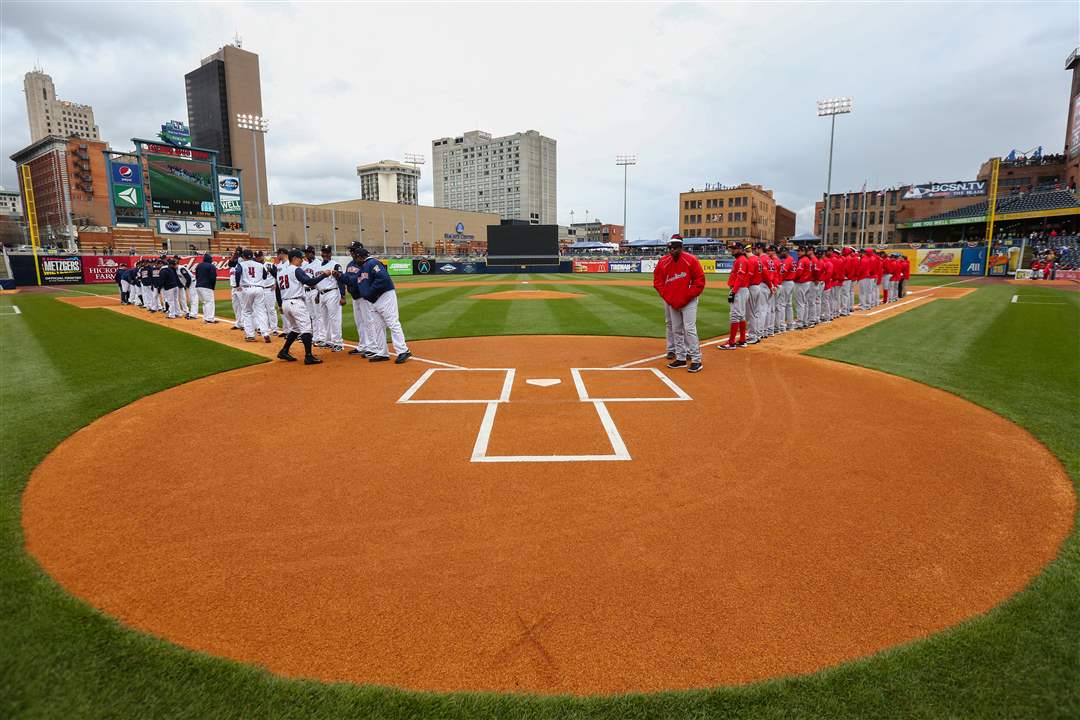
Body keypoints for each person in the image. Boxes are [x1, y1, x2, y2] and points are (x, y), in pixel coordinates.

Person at [339, 244, 412, 363]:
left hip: (385, 296)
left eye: (356, 257)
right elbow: (353, 280)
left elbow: (383, 279)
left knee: (392, 323)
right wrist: (340, 276)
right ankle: (382, 352)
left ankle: (403, 350)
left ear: (360, 257)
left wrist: (369, 292)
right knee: (378, 326)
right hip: (374, 300)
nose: (354, 260)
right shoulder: (363, 267)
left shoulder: (373, 263)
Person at [652, 235, 704, 371]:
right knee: (676, 330)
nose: (672, 250)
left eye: (675, 248)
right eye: (670, 248)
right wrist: (667, 296)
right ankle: (681, 358)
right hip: (672, 301)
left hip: (689, 300)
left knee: (689, 329)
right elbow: (657, 281)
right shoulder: (664, 262)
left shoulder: (691, 260)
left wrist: (688, 295)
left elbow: (699, 281)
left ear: (681, 248)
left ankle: (696, 359)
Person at [276, 248, 329, 365]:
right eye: (300, 258)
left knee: (295, 329)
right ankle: (308, 356)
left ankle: (284, 351)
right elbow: (309, 282)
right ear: (294, 258)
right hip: (296, 302)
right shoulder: (296, 270)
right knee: (306, 329)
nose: (302, 260)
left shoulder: (281, 272)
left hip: (285, 303)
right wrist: (324, 275)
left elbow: (277, 290)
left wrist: (280, 304)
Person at [340, 241, 378, 357]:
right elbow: (348, 279)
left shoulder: (365, 264)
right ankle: (363, 345)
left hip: (364, 297)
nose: (351, 252)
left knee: (368, 321)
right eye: (350, 250)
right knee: (359, 322)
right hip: (355, 297)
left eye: (353, 250)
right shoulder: (350, 264)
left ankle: (373, 347)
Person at [718, 241, 750, 350]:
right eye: (731, 248)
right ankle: (742, 340)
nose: (732, 250)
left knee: (735, 316)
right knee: (741, 315)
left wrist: (734, 291)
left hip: (739, 290)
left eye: (734, 248)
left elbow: (740, 277)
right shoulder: (740, 259)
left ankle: (731, 343)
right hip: (742, 290)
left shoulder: (741, 260)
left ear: (741, 249)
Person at [236, 248, 271, 343]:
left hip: (247, 288)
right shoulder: (260, 265)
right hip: (259, 288)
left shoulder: (241, 264)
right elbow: (265, 276)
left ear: (243, 257)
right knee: (261, 311)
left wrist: (237, 285)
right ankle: (265, 333)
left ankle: (250, 335)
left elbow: (237, 272)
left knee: (247, 312)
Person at [314, 245, 344, 351]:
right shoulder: (318, 266)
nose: (325, 254)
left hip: (332, 293)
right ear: (321, 253)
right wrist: (317, 295)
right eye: (323, 252)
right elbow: (319, 282)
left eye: (327, 252)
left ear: (330, 253)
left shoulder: (335, 265)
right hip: (321, 294)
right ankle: (328, 341)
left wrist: (343, 296)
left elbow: (340, 281)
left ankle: (338, 343)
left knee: (335, 318)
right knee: (324, 319)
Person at [256, 250, 279, 337]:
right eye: (257, 257)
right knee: (261, 310)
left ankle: (274, 329)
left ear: (263, 256)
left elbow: (277, 275)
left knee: (271, 309)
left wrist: (275, 284)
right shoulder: (255, 266)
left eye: (260, 256)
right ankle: (263, 328)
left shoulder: (270, 265)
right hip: (260, 290)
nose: (259, 258)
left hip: (269, 289)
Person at [301, 245, 322, 339]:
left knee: (318, 315)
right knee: (312, 316)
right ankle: (315, 336)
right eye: (305, 252)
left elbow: (320, 280)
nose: (306, 254)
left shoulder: (318, 263)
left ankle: (321, 336)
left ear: (312, 253)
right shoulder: (305, 265)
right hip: (306, 292)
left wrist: (318, 293)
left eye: (308, 252)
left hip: (315, 291)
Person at [776, 245, 796, 331]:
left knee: (782, 304)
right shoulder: (792, 259)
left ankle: (782, 325)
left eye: (781, 252)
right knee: (788, 304)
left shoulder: (788, 260)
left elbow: (782, 272)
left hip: (786, 283)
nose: (780, 254)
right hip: (790, 282)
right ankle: (790, 324)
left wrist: (778, 281)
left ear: (785, 252)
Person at [193, 252, 218, 323]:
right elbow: (213, 278)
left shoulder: (199, 265)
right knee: (210, 302)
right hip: (207, 287)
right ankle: (209, 319)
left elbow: (196, 276)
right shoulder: (211, 266)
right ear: (209, 260)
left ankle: (206, 318)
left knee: (205, 303)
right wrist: (212, 287)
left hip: (198, 286)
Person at [793, 245, 813, 328]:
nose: (798, 253)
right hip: (808, 283)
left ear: (803, 251)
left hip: (801, 283)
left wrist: (793, 278)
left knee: (800, 304)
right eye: (798, 251)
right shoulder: (808, 259)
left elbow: (798, 273)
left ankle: (799, 323)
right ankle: (805, 322)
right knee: (805, 303)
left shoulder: (802, 260)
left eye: (799, 251)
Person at [227, 248, 243, 330]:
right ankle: (238, 323)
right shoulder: (232, 263)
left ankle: (245, 324)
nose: (233, 255)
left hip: (241, 287)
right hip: (233, 288)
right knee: (236, 307)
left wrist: (238, 254)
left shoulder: (242, 262)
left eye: (236, 253)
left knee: (243, 306)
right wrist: (234, 255)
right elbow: (230, 263)